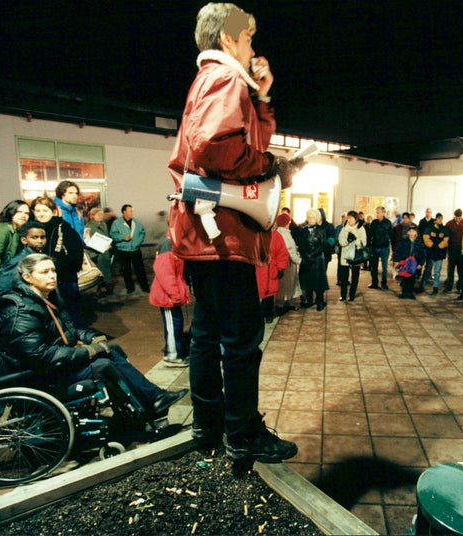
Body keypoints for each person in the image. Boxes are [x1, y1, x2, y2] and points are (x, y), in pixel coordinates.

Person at [165, 2, 302, 463]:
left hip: (205, 236)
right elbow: (215, 146)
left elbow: (246, 138)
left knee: (206, 334)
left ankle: (209, 425)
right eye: (247, 38)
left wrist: (262, 97)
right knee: (241, 341)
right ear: (227, 39)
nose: (253, 48)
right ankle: (242, 433)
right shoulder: (225, 78)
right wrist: (270, 168)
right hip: (225, 236)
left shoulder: (213, 80)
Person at [0, 254, 187, 417]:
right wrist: (87, 352)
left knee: (111, 349)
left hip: (57, 362)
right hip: (42, 375)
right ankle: (149, 402)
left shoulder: (44, 298)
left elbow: (71, 330)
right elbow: (39, 355)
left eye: (53, 270)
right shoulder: (20, 312)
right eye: (44, 272)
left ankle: (151, 400)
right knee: (104, 364)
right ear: (27, 278)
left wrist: (93, 338)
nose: (52, 276)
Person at [31, 196, 85, 325]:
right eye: (38, 211)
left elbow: (76, 254)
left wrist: (63, 271)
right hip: (40, 282)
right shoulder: (31, 230)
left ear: (53, 211)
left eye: (45, 210)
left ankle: (77, 338)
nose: (41, 214)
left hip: (64, 280)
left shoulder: (64, 229)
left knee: (70, 313)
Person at [150, 239, 191, 367]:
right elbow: (165, 273)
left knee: (176, 323)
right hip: (167, 296)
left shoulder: (173, 244)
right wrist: (175, 294)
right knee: (173, 325)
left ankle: (175, 352)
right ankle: (172, 355)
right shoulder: (168, 245)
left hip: (171, 295)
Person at [0, 221, 47, 297]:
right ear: (24, 240)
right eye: (34, 237)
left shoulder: (41, 259)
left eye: (42, 237)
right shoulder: (18, 261)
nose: (40, 241)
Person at [110, 204, 149, 295]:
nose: (132, 213)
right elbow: (113, 235)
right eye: (130, 211)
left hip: (135, 250)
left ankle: (145, 288)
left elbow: (142, 233)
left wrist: (138, 242)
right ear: (124, 212)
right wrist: (123, 237)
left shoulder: (136, 222)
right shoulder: (117, 223)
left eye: (132, 211)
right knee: (126, 271)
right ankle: (130, 289)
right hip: (123, 251)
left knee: (140, 270)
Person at [297, 208, 329, 311]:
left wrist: (313, 254)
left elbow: (323, 245)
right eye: (309, 217)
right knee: (307, 281)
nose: (311, 219)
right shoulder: (303, 230)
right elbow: (300, 244)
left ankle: (320, 301)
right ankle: (309, 301)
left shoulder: (321, 230)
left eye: (313, 217)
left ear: (317, 218)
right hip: (307, 259)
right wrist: (306, 254)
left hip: (318, 260)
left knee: (318, 282)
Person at [257, 226, 288, 322]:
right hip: (258, 268)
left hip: (271, 269)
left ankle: (268, 314)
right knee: (256, 293)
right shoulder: (255, 234)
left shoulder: (276, 236)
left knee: (270, 294)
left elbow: (282, 253)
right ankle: (259, 314)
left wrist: (281, 268)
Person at [274, 212, 302, 315]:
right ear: (285, 223)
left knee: (285, 285)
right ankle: (282, 306)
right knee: (287, 285)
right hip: (287, 264)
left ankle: (288, 303)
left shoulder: (278, 232)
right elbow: (289, 250)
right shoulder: (284, 234)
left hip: (281, 263)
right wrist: (299, 260)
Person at [337, 210, 367, 302]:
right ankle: (343, 295)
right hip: (345, 256)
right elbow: (341, 241)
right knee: (344, 277)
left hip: (356, 256)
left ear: (356, 219)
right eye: (348, 218)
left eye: (350, 218)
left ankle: (352, 295)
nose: (348, 220)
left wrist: (355, 239)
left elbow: (363, 243)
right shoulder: (344, 228)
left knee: (355, 277)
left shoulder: (361, 228)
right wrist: (347, 240)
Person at [85, 207, 113, 297]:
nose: (101, 216)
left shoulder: (103, 224)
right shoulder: (88, 227)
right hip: (97, 253)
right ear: (92, 216)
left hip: (105, 252)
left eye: (101, 214)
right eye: (98, 215)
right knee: (99, 273)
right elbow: (87, 241)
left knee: (105, 272)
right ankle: (99, 290)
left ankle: (104, 289)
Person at [418, 212, 449, 294]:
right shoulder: (429, 228)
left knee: (437, 272)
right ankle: (422, 285)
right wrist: (432, 245)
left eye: (441, 219)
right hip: (430, 253)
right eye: (438, 218)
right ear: (435, 219)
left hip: (439, 254)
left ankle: (435, 287)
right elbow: (425, 238)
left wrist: (439, 246)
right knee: (427, 270)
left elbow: (446, 240)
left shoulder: (444, 229)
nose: (440, 220)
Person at [394, 224, 426, 299]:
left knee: (412, 278)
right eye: (410, 231)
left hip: (414, 263)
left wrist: (421, 263)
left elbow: (423, 254)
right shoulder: (403, 241)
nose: (412, 233)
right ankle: (404, 292)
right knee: (405, 277)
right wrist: (396, 260)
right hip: (405, 262)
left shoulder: (419, 243)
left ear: (416, 233)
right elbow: (398, 251)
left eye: (413, 231)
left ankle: (410, 293)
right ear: (408, 233)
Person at [368, 206, 394, 290]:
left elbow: (391, 235)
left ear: (383, 213)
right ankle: (374, 282)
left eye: (378, 212)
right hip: (374, 247)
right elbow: (370, 234)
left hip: (384, 248)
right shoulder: (374, 222)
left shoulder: (388, 223)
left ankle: (384, 282)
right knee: (373, 266)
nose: (377, 214)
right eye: (376, 212)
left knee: (384, 267)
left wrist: (392, 248)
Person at [444, 209, 463, 294]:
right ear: (454, 216)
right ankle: (449, 286)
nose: (458, 219)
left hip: (461, 250)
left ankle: (460, 287)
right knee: (450, 269)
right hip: (452, 250)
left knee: (461, 270)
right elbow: (445, 236)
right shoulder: (449, 224)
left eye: (459, 217)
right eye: (456, 217)